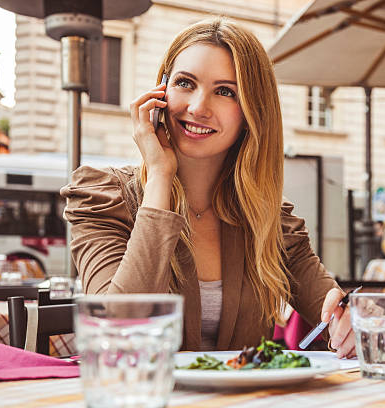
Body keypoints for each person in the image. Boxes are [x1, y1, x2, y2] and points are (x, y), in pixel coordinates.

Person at [60, 18, 355, 357]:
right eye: (185, 83)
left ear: (251, 113)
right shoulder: (102, 196)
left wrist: (344, 318)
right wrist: (159, 176)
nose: (198, 108)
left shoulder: (268, 217)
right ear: (161, 93)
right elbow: (115, 331)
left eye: (225, 91)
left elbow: (330, 308)